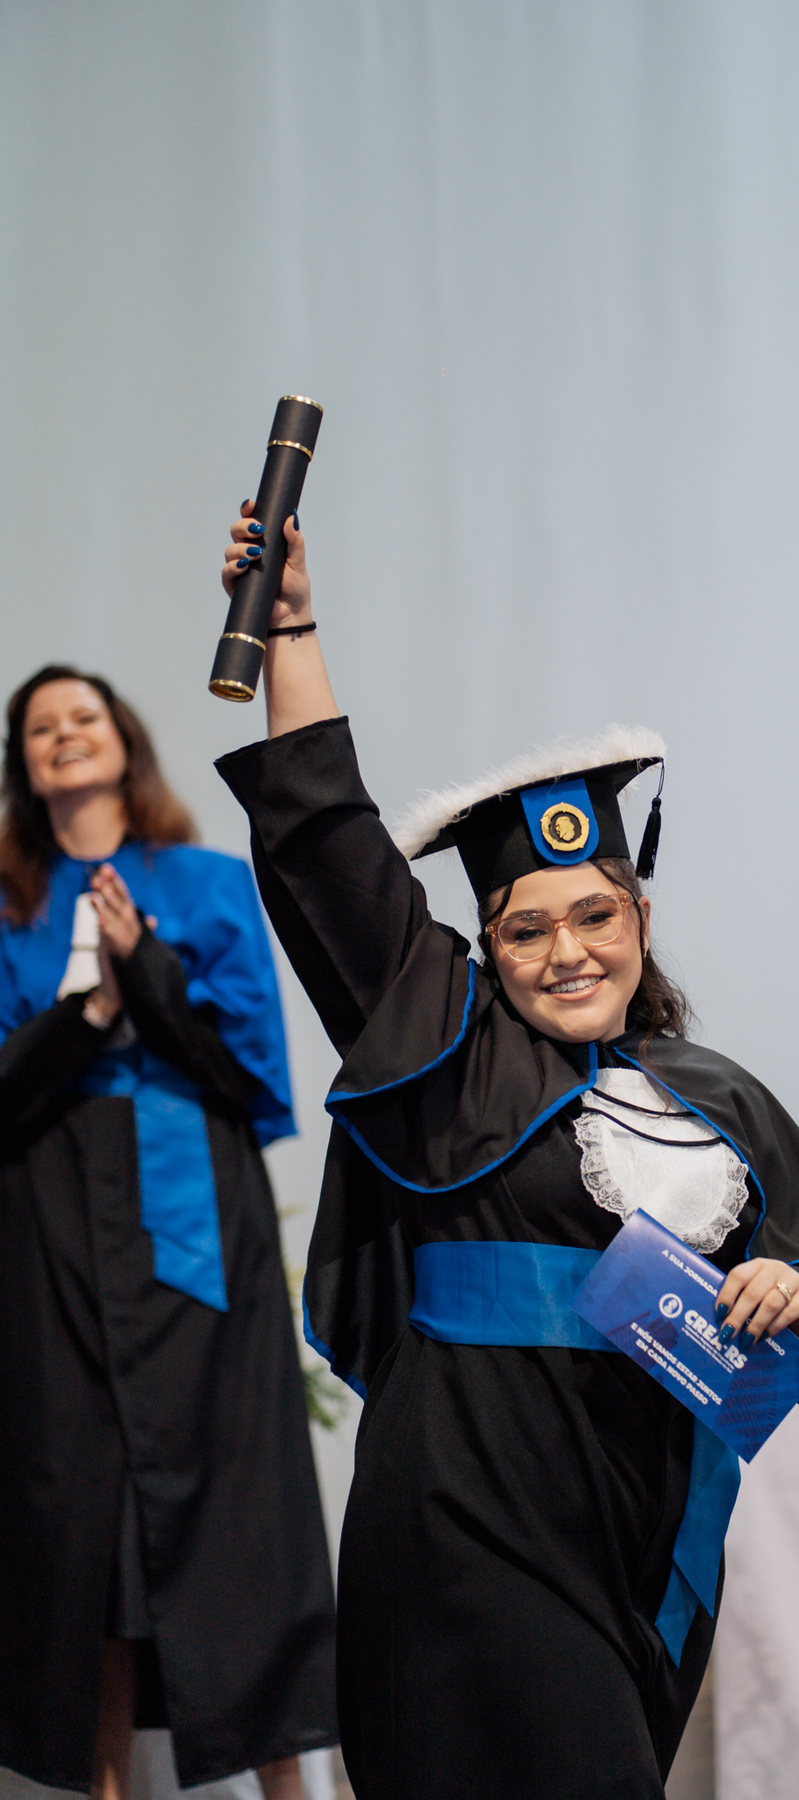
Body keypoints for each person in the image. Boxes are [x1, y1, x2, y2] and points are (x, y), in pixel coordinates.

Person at [215, 507, 799, 1800]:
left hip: (631, 1535)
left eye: (595, 915)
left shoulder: (722, 1099)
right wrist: (294, 625)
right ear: (485, 946)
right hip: (460, 1521)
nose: (567, 951)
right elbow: (329, 839)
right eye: (525, 929)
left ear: (641, 916)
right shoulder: (450, 1058)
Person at [0, 666, 338, 1800]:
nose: (61, 737)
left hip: (191, 1205)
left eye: (81, 717)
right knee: (73, 1510)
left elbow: (250, 1073)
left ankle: (289, 1786)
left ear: (123, 740)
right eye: (39, 728)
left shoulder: (206, 882)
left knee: (235, 1495)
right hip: (44, 1226)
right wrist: (85, 1015)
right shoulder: (5, 901)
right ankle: (95, 1779)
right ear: (23, 764)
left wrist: (141, 970)